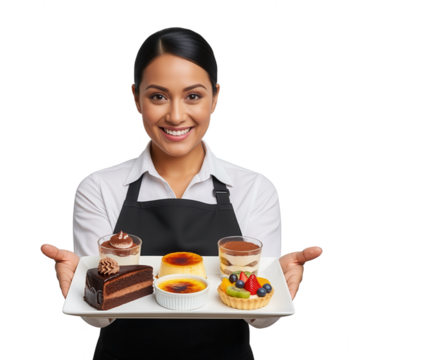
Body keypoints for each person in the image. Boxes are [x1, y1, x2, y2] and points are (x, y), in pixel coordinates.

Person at [39, 26, 323, 360]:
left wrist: (277, 292)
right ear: (136, 98)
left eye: (193, 96)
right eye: (158, 96)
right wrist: (81, 288)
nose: (175, 115)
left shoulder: (254, 189)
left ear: (216, 97)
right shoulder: (98, 188)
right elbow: (98, 316)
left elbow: (259, 317)